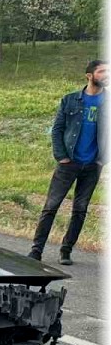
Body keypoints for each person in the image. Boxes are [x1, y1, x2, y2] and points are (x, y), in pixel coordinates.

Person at [28, 59, 106, 265]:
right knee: (51, 206)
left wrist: (103, 160)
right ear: (89, 75)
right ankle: (36, 250)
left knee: (80, 209)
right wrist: (61, 156)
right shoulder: (70, 100)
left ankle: (66, 250)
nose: (106, 75)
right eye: (101, 71)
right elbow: (57, 129)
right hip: (68, 163)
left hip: (92, 166)